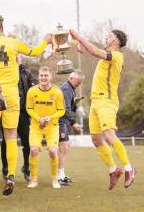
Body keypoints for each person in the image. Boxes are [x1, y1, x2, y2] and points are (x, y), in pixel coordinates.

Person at [0, 13, 52, 196]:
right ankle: (11, 175)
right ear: (3, 28)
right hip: (12, 95)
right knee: (11, 136)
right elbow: (36, 51)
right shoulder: (13, 43)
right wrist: (45, 41)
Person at [70, 29, 136, 189]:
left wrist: (79, 37)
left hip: (107, 100)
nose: (106, 37)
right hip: (96, 102)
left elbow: (94, 51)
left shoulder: (117, 55)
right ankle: (114, 170)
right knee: (96, 140)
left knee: (108, 134)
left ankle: (129, 168)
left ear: (117, 41)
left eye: (110, 36)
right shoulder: (107, 56)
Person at [26, 66, 65, 189]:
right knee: (33, 150)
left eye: (46, 75)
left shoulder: (57, 92)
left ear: (50, 76)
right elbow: (29, 108)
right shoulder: (32, 91)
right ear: (38, 77)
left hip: (52, 127)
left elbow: (61, 110)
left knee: (53, 151)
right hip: (36, 126)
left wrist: (50, 117)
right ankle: (33, 180)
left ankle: (55, 179)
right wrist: (39, 119)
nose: (43, 78)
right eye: (41, 75)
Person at [0, 62, 38, 181]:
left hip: (23, 112)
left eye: (19, 55)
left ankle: (26, 166)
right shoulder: (4, 70)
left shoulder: (26, 72)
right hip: (8, 110)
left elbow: (34, 87)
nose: (17, 57)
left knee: (27, 141)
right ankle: (6, 168)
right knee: (6, 140)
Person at [58, 70, 84, 186]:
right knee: (63, 148)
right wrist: (73, 122)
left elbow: (70, 105)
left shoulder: (71, 89)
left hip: (63, 121)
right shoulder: (66, 89)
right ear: (71, 78)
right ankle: (59, 176)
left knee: (66, 147)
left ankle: (61, 174)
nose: (79, 85)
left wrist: (77, 106)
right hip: (60, 121)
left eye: (80, 83)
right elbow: (66, 108)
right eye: (78, 83)